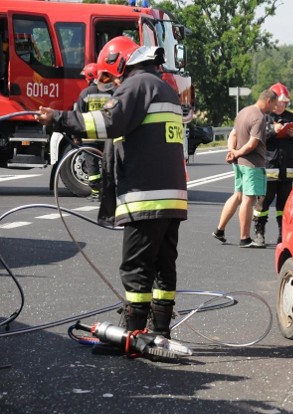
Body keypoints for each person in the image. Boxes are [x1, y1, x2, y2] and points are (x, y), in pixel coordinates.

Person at [35, 36, 188, 340]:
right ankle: (160, 332)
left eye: (114, 73)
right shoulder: (166, 89)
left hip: (145, 199)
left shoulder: (136, 85)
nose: (115, 80)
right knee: (163, 266)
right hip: (172, 199)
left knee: (136, 268)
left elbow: (109, 122)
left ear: (121, 62)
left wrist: (58, 118)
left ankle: (134, 335)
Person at [212, 89, 277, 248]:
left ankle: (220, 230)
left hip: (239, 163)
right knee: (249, 199)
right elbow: (252, 143)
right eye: (274, 105)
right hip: (252, 164)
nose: (273, 108)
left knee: (237, 195)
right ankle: (245, 238)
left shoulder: (243, 112)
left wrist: (232, 152)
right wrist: (238, 152)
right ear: (268, 101)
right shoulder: (259, 117)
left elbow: (233, 135)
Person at [252, 82, 293, 246]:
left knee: (283, 206)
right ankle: (259, 234)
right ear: (272, 101)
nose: (280, 106)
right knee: (262, 204)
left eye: (284, 103)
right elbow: (255, 136)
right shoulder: (263, 117)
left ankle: (282, 235)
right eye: (278, 103)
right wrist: (272, 131)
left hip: (287, 171)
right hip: (268, 169)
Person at [76, 62, 112, 201]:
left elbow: (78, 116)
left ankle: (96, 192)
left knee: (91, 165)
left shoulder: (85, 94)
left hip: (89, 137)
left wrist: (76, 136)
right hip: (106, 136)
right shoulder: (110, 93)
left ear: (90, 77)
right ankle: (108, 191)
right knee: (107, 163)